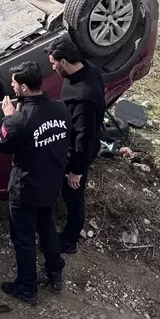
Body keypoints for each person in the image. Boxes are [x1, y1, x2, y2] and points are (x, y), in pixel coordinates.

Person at [0, 61, 71, 305]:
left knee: (24, 238)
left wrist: (8, 118)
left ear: (25, 87)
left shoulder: (19, 121)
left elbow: (1, 144)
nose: (13, 88)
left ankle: (27, 288)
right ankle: (55, 271)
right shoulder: (60, 109)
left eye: (15, 84)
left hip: (25, 189)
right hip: (51, 185)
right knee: (47, 227)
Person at [47, 38, 105, 255]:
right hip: (74, 148)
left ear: (64, 62)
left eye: (54, 63)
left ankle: (69, 240)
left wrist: (75, 171)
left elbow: (84, 138)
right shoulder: (89, 69)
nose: (52, 68)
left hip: (76, 156)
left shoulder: (83, 97)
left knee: (74, 195)